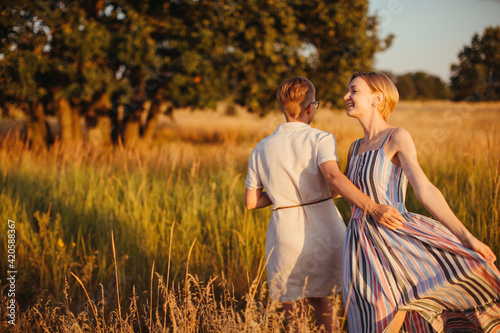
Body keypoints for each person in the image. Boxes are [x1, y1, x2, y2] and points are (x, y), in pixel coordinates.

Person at [341, 71, 500, 332]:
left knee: (385, 319)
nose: (346, 96)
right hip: (360, 244)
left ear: (376, 98)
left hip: (396, 240)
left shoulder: (396, 136)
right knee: (369, 322)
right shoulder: (354, 147)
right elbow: (342, 186)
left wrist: (465, 237)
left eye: (354, 91)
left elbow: (424, 189)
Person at [244, 76, 404, 332]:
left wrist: (286, 194)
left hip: (284, 233)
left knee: (293, 308)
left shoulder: (261, 148)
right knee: (323, 300)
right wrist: (371, 207)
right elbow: (332, 178)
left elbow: (252, 201)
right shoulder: (320, 138)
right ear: (310, 108)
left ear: (283, 107)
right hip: (323, 230)